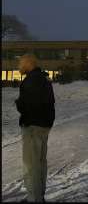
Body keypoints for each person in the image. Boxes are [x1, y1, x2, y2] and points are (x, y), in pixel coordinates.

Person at [15, 54, 55, 202]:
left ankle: (34, 198)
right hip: (44, 126)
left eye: (20, 64)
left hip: (32, 126)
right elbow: (49, 102)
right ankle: (39, 196)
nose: (18, 66)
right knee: (40, 162)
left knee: (31, 165)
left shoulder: (31, 80)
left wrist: (19, 103)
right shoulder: (44, 79)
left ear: (27, 64)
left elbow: (29, 105)